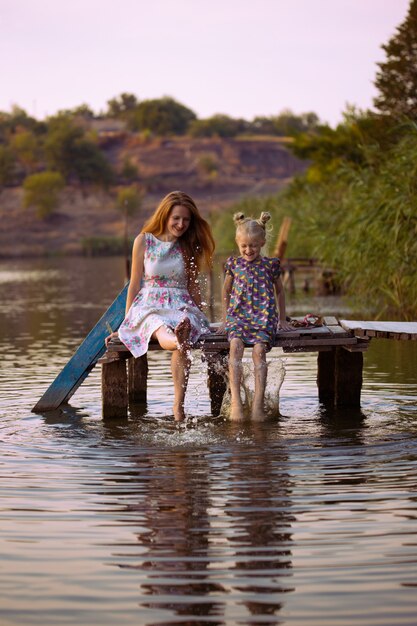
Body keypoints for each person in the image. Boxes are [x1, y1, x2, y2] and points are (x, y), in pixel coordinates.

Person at [106, 190, 215, 421]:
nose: (181, 224)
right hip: (150, 303)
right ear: (165, 215)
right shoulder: (143, 241)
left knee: (182, 328)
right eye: (176, 218)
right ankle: (176, 337)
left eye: (186, 219)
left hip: (180, 303)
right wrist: (126, 323)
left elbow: (193, 287)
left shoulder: (189, 245)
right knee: (158, 324)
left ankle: (178, 406)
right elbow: (134, 284)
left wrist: (201, 316)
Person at [217, 211, 292, 422]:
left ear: (262, 243)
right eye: (244, 246)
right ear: (238, 244)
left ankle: (258, 404)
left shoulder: (270, 265)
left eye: (253, 246)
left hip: (263, 317)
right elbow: (225, 292)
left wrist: (283, 319)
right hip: (239, 317)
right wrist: (225, 320)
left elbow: (280, 291)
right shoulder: (233, 264)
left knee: (259, 351)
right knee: (235, 347)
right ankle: (236, 403)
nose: (249, 250)